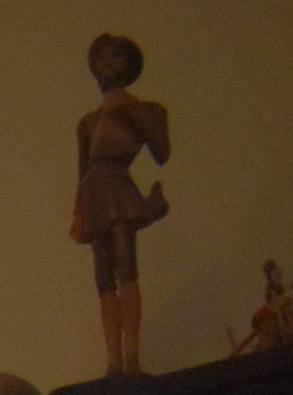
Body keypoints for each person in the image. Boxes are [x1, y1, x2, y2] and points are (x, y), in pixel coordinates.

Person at [74, 33, 172, 376]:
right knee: (103, 277)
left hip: (118, 186)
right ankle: (113, 359)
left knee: (126, 268)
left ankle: (132, 355)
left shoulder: (145, 110)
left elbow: (161, 151)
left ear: (127, 64)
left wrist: (130, 109)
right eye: (101, 60)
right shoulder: (88, 123)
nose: (106, 65)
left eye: (114, 57)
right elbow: (82, 172)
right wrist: (78, 213)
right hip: (95, 194)